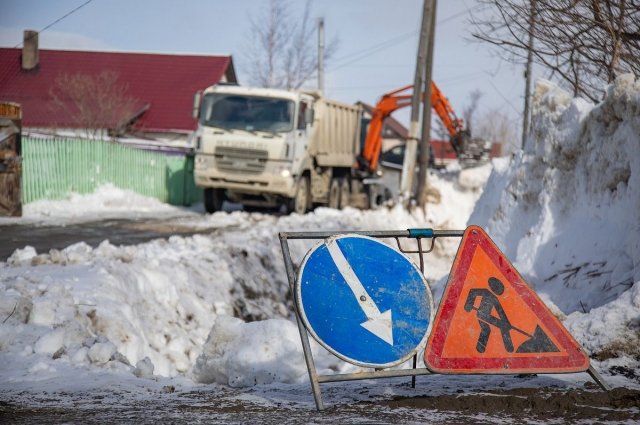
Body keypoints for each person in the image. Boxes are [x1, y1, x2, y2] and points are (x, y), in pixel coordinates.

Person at [463, 277, 514, 353]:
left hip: (486, 316)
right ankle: (481, 349)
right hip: (481, 314)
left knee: (499, 327)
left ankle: (508, 348)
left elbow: (501, 312)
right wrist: (468, 304)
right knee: (488, 329)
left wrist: (507, 323)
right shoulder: (485, 292)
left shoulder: (495, 299)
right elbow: (472, 291)